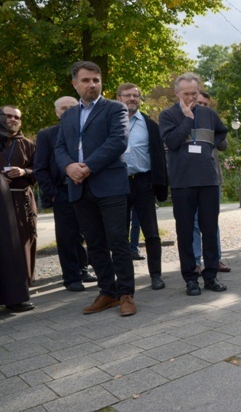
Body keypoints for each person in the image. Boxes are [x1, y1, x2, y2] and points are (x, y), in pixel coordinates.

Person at [54, 60, 136, 317]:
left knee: (117, 241)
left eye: (96, 80)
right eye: (86, 80)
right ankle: (108, 293)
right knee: (95, 244)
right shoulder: (68, 115)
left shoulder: (115, 109)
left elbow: (118, 141)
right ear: (74, 83)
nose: (92, 85)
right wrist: (69, 167)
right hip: (79, 187)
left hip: (109, 185)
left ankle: (126, 294)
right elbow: (59, 148)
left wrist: (87, 166)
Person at [159, 73, 229, 296]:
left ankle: (210, 276)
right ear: (176, 92)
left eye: (194, 93)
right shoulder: (167, 115)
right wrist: (187, 119)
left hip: (208, 180)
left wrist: (210, 146)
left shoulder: (209, 113)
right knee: (186, 232)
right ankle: (190, 278)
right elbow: (171, 141)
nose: (190, 97)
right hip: (182, 182)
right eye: (186, 93)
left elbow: (222, 131)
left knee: (210, 230)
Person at [34, 96, 98, 292]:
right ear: (57, 112)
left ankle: (83, 268)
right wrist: (52, 194)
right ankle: (71, 277)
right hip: (62, 192)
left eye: (72, 107)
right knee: (67, 236)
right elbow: (40, 168)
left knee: (87, 233)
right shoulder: (46, 135)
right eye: (63, 108)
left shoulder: (89, 131)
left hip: (89, 190)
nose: (68, 111)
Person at [116, 82, 168, 290]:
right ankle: (124, 278)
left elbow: (159, 157)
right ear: (118, 98)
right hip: (117, 183)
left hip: (144, 182)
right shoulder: (109, 123)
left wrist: (161, 185)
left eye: (135, 96)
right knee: (119, 234)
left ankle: (156, 275)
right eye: (127, 95)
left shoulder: (149, 125)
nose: (132, 99)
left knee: (152, 233)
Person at [191, 90, 231, 273]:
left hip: (212, 178)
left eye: (206, 104)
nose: (202, 107)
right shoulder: (186, 120)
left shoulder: (212, 122)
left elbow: (224, 145)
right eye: (199, 103)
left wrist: (213, 129)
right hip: (190, 179)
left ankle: (216, 260)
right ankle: (196, 262)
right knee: (193, 222)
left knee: (211, 222)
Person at [0, 109, 34, 312]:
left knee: (16, 246)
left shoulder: (28, 144)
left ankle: (17, 292)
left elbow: (41, 168)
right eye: (7, 115)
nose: (11, 119)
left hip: (20, 198)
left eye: (16, 117)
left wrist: (24, 171)